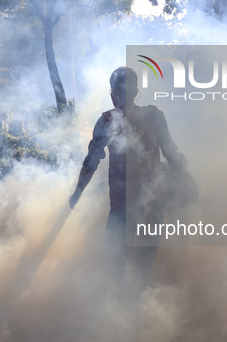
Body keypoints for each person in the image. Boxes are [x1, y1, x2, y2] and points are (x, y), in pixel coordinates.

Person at [69, 67, 193, 245]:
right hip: (151, 204)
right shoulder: (154, 116)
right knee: (144, 262)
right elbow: (172, 154)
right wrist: (188, 180)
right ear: (135, 91)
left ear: (112, 93)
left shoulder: (105, 121)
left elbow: (91, 162)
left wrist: (77, 193)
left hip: (122, 206)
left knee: (115, 262)